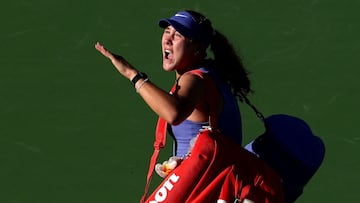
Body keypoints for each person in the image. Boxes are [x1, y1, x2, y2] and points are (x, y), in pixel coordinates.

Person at [95, 10, 252, 158]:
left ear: (198, 47)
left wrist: (132, 74)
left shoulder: (195, 80)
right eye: (167, 31)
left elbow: (173, 114)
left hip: (207, 184)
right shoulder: (212, 72)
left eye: (178, 35)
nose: (168, 39)